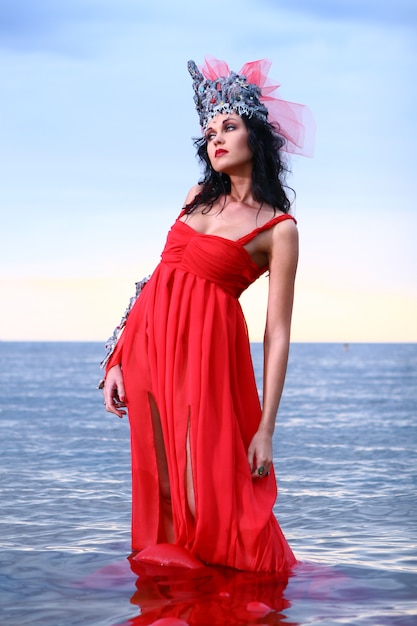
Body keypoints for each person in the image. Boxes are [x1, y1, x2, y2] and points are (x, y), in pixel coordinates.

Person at [102, 56, 314, 572]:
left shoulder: (278, 228)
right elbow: (155, 279)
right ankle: (183, 594)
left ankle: (227, 589)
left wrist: (266, 428)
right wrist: (118, 357)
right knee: (164, 482)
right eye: (209, 131)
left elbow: (278, 332)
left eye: (229, 126)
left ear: (255, 137)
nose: (216, 138)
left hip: (207, 353)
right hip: (152, 346)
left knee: (204, 489)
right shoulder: (196, 197)